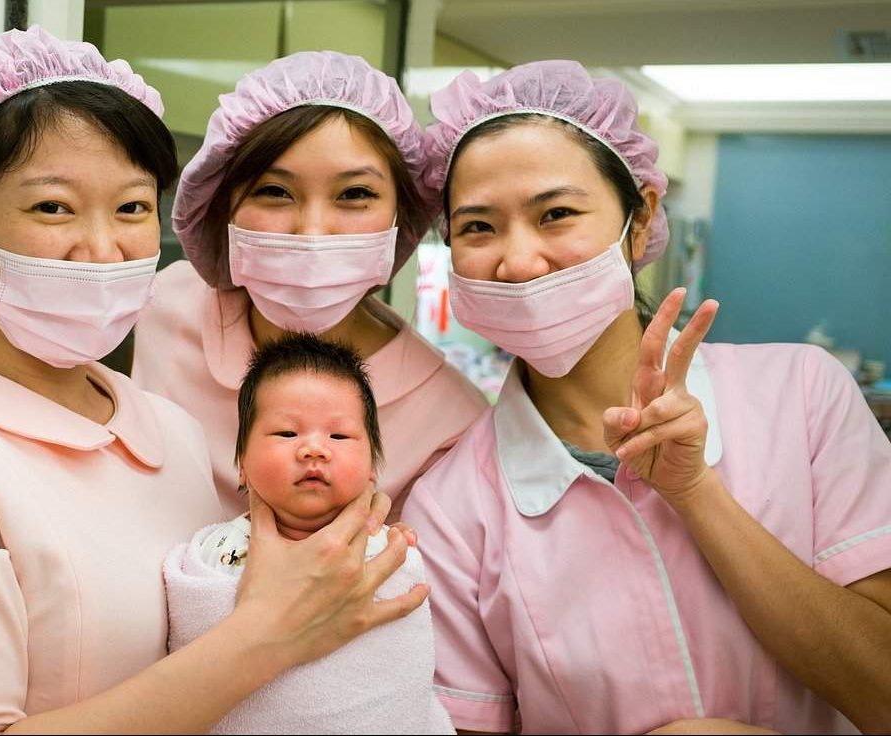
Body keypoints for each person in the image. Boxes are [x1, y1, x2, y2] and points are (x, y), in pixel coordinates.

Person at [0, 26, 423, 734]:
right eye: (52, 207)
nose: (102, 248)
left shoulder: (171, 430)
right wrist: (267, 638)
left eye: (131, 208)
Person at [402, 60, 891, 735]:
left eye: (557, 214)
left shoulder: (803, 394)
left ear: (640, 220)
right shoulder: (451, 508)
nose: (517, 262)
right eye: (478, 227)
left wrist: (699, 496)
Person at [132, 52, 488, 519]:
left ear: (402, 217)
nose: (312, 230)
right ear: (223, 205)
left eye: (355, 194)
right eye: (275, 191)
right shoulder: (165, 305)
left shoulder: (449, 420)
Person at [165, 332, 452, 734]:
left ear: (373, 467)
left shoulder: (387, 551)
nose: (314, 449)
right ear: (242, 465)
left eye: (339, 436)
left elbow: (404, 662)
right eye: (287, 434)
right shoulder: (211, 554)